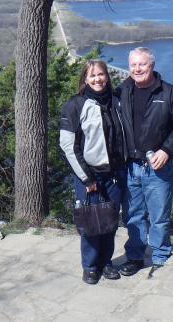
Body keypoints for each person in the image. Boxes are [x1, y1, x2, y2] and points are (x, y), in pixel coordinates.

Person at [115, 47, 173, 278]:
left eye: (142, 65)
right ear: (128, 67)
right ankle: (135, 256)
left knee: (159, 215)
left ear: (152, 66)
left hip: (157, 166)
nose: (137, 69)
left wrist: (167, 150)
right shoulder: (121, 92)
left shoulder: (170, 93)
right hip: (130, 166)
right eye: (133, 65)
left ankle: (160, 255)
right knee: (133, 215)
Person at [59, 59, 127, 285]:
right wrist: (86, 178)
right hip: (90, 176)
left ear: (107, 76)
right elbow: (68, 146)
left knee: (109, 221)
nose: (97, 79)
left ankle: (106, 262)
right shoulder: (75, 106)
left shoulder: (116, 101)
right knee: (90, 222)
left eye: (101, 74)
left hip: (115, 173)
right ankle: (89, 266)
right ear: (85, 79)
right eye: (92, 76)